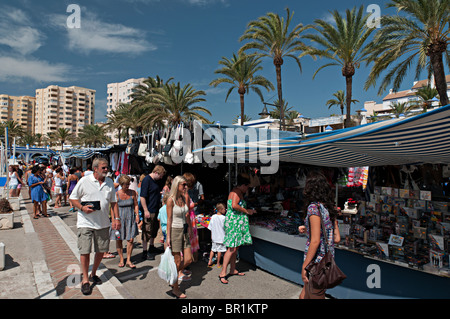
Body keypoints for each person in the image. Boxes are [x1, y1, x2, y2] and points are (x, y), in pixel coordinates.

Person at [69, 158, 120, 296]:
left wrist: (116, 218)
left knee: (101, 250)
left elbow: (114, 202)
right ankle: (85, 280)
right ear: (95, 168)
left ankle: (93, 273)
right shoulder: (84, 181)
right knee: (85, 251)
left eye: (107, 167)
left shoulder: (109, 182)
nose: (106, 169)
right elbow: (72, 198)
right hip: (85, 222)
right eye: (103, 167)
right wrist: (82, 207)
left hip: (103, 223)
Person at [299, 171, 341, 299]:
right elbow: (336, 239)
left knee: (315, 295)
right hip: (326, 261)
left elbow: (315, 241)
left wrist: (305, 266)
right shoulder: (329, 208)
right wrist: (308, 230)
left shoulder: (313, 208)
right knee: (304, 295)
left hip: (316, 262)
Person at [219, 173, 255, 284]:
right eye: (247, 187)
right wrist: (247, 211)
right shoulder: (236, 192)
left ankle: (232, 269)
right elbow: (234, 205)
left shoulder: (237, 191)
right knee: (231, 248)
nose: (247, 189)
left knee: (235, 248)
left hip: (236, 223)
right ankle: (223, 273)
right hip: (234, 223)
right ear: (243, 185)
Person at [166, 176, 192, 299]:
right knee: (177, 261)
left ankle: (173, 277)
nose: (186, 187)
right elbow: (169, 219)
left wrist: (190, 229)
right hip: (175, 231)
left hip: (185, 230)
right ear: (177, 185)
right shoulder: (171, 200)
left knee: (188, 259)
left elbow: (187, 214)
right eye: (184, 185)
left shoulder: (183, 197)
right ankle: (176, 288)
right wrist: (168, 237)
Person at [111, 175, 139, 269]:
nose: (127, 186)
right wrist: (114, 220)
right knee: (119, 239)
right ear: (121, 184)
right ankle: (122, 258)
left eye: (128, 184)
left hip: (130, 218)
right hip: (120, 218)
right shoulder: (116, 194)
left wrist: (137, 215)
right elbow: (112, 208)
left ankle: (128, 259)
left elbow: (135, 204)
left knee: (130, 239)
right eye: (125, 185)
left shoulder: (132, 193)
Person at [140, 165, 166, 260]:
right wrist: (145, 210)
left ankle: (151, 247)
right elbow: (142, 196)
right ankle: (144, 251)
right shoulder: (147, 180)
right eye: (160, 175)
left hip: (155, 209)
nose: (161, 178)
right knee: (147, 230)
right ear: (156, 173)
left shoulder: (155, 181)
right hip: (149, 209)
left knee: (154, 229)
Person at [183, 173, 200, 261]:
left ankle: (191, 260)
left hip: (190, 218)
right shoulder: (185, 195)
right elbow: (186, 211)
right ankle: (188, 261)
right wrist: (189, 225)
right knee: (189, 239)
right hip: (189, 219)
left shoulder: (185, 194)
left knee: (190, 240)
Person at [207, 202, 226, 268]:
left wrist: (212, 235)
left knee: (213, 249)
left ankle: (210, 261)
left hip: (214, 237)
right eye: (224, 209)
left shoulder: (213, 217)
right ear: (220, 209)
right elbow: (225, 227)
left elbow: (210, 227)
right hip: (221, 237)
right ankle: (218, 263)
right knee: (219, 251)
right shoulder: (224, 218)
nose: (225, 210)